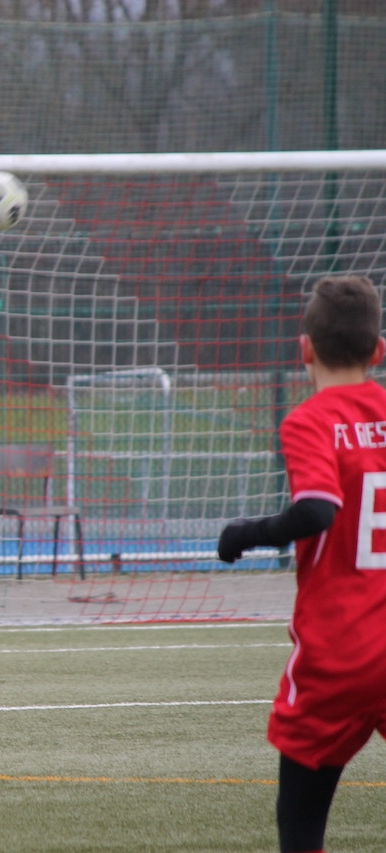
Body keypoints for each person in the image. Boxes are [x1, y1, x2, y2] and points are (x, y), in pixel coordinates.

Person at [217, 274, 386, 853]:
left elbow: (317, 509)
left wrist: (246, 533)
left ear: (304, 349)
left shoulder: (310, 420)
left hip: (338, 653)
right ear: (379, 351)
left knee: (301, 824)